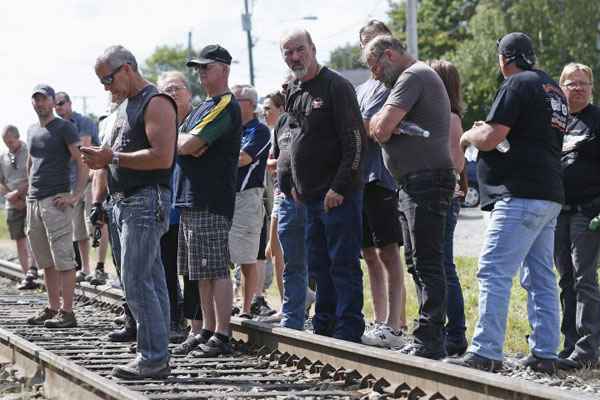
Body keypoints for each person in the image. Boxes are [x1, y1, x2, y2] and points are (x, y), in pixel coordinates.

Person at [448, 33, 567, 373]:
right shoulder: (551, 89)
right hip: (548, 193)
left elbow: (491, 138)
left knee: (493, 271)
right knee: (541, 275)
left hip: (519, 194)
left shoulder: (516, 85)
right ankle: (545, 353)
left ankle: (486, 351)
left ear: (506, 58)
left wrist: (468, 134)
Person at [82, 45, 176, 379]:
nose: (106, 86)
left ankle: (152, 357)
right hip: (125, 201)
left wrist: (113, 159)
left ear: (127, 68)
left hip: (145, 199)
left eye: (108, 78)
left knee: (136, 280)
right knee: (149, 278)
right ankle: (157, 353)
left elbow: (162, 157)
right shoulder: (125, 107)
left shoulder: (157, 102)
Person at [364, 35, 455, 359]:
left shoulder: (412, 76)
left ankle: (431, 339)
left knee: (427, 261)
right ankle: (429, 336)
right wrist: (383, 125)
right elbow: (380, 127)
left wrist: (382, 124)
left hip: (426, 179)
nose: (375, 76)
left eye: (375, 67)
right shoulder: (409, 79)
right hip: (414, 182)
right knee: (417, 261)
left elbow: (380, 128)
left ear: (388, 55)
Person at [280, 29, 366, 342]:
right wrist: (289, 180)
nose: (294, 57)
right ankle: (325, 324)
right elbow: (291, 138)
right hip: (308, 196)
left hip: (338, 195)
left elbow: (356, 141)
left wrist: (339, 187)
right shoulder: (293, 88)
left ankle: (349, 328)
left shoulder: (337, 86)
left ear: (313, 49)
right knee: (319, 266)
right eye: (288, 52)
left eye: (299, 50)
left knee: (343, 264)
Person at [174, 44, 241, 357]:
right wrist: (185, 143)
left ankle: (223, 334)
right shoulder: (202, 106)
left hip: (210, 198)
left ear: (224, 70)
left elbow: (188, 144)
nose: (200, 73)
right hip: (190, 197)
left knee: (215, 269)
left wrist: (187, 144)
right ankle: (205, 330)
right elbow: (182, 141)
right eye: (197, 68)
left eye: (206, 67)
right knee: (198, 271)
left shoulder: (225, 104)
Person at [355, 20, 407, 349]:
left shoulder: (396, 82)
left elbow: (376, 127)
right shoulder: (363, 88)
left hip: (384, 176)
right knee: (368, 253)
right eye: (364, 42)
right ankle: (379, 318)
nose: (369, 47)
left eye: (373, 40)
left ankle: (396, 322)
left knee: (389, 250)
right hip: (360, 178)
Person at [26, 84, 88, 329]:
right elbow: (31, 163)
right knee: (45, 261)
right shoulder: (31, 130)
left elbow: (82, 161)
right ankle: (52, 308)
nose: (39, 103)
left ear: (52, 101)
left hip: (56, 200)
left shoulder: (65, 127)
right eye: (36, 99)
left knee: (63, 258)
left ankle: (68, 312)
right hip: (34, 201)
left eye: (43, 99)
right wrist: (29, 192)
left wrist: (75, 196)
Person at [554, 62, 600, 370]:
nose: (579, 88)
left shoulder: (597, 119)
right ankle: (569, 343)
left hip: (589, 211)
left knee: (584, 279)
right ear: (562, 87)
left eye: (584, 83)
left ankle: (589, 349)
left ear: (592, 88)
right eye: (572, 83)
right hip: (557, 211)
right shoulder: (555, 120)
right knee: (565, 279)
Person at [428, 59, 468, 356]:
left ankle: (454, 333)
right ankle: (443, 330)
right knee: (437, 264)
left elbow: (456, 160)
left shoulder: (450, 117)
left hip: (444, 197)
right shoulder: (443, 115)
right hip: (446, 195)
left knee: (444, 265)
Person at [156, 71, 195, 344]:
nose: (171, 93)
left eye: (176, 88)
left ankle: (196, 322)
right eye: (166, 89)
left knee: (192, 271)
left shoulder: (198, 118)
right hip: (164, 208)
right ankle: (173, 318)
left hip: (191, 206)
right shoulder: (157, 122)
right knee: (166, 268)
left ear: (189, 92)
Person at [54, 91, 108, 286]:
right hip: (71, 182)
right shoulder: (56, 127)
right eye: (55, 105)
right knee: (79, 230)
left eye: (60, 103)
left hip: (90, 179)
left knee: (95, 223)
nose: (58, 107)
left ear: (69, 103)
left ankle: (100, 267)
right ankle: (85, 268)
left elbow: (83, 150)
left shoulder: (82, 122)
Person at [229, 84, 270, 318]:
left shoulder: (259, 130)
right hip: (225, 196)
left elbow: (243, 159)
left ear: (251, 105)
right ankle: (231, 303)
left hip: (246, 197)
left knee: (247, 256)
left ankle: (246, 308)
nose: (232, 104)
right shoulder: (231, 129)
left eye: (237, 100)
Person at [0, 125, 38, 290]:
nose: (9, 145)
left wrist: (19, 193)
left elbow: (33, 176)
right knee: (19, 239)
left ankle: (34, 268)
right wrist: (10, 196)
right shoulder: (3, 157)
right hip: (12, 203)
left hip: (29, 199)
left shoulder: (29, 152)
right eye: (5, 142)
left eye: (11, 142)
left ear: (18, 137)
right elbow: (1, 182)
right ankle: (26, 276)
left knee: (34, 236)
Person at [261, 90, 286, 323]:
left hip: (286, 195)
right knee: (275, 251)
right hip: (278, 195)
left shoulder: (286, 130)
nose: (264, 112)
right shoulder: (273, 133)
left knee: (277, 249)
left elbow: (290, 158)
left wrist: (270, 162)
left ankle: (292, 302)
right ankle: (286, 302)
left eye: (268, 108)